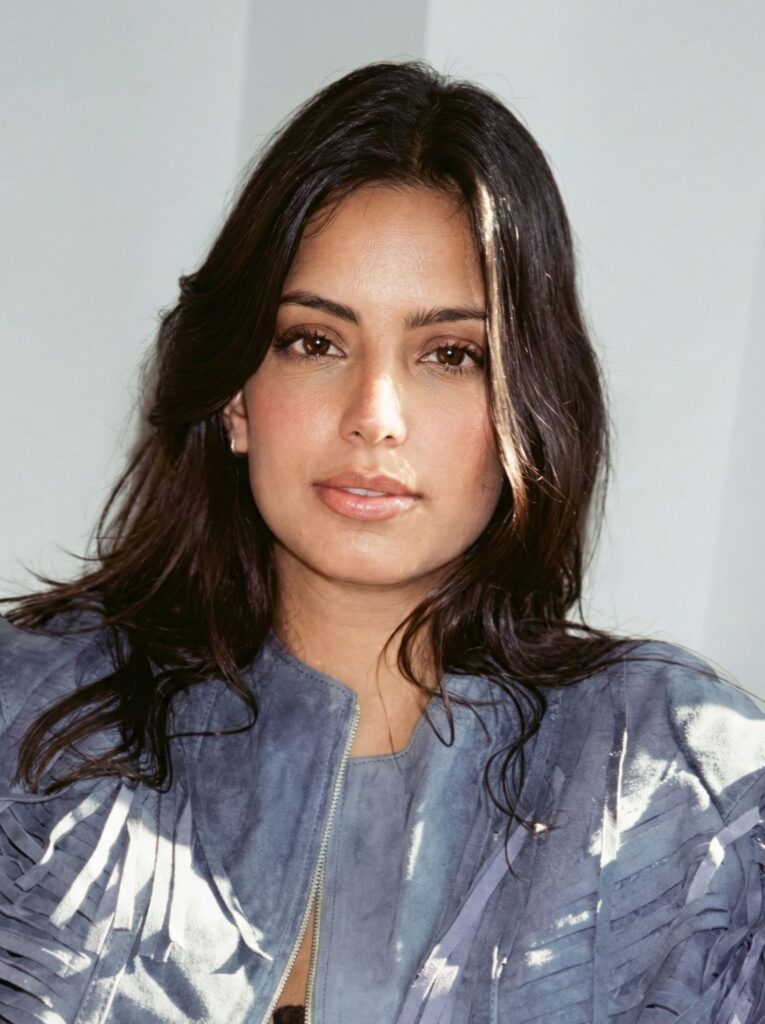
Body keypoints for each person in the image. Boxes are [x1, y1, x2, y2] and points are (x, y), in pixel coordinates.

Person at [0, 59, 763, 1024]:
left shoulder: (681, 786)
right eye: (314, 341)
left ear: (526, 406)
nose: (375, 415)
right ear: (235, 397)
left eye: (450, 354)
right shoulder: (27, 724)